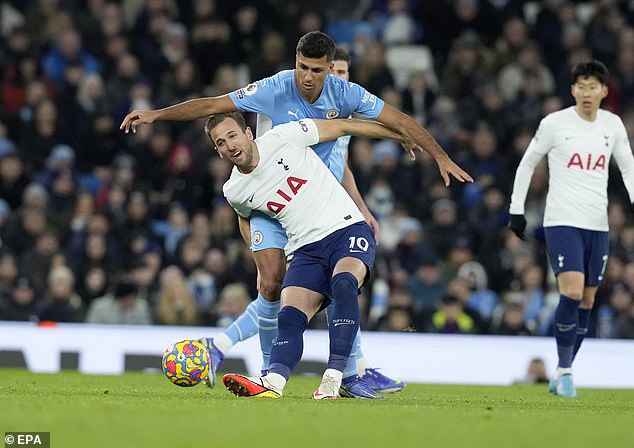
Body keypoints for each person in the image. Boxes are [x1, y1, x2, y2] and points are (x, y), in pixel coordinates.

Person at [121, 31, 472, 396]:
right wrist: (157, 115)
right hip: (266, 197)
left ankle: (348, 372)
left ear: (333, 72)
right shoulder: (275, 94)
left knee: (337, 281)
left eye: (322, 71)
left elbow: (366, 147)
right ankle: (269, 372)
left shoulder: (346, 101)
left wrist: (436, 156)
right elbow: (214, 105)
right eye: (302, 67)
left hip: (318, 208)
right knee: (271, 282)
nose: (309, 77)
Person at [205, 111, 409, 399]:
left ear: (248, 133)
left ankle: (334, 377)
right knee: (289, 316)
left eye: (233, 135)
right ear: (218, 150)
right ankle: (272, 382)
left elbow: (342, 125)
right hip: (306, 249)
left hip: (346, 228)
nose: (230, 144)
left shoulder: (284, 137)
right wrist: (257, 256)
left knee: (343, 283)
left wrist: (399, 132)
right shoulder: (234, 189)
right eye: (221, 142)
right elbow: (244, 218)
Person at [509, 60, 634, 397]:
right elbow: (528, 163)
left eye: (593, 86)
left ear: (604, 91)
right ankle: (564, 371)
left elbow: (628, 168)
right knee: (573, 292)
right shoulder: (554, 123)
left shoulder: (612, 125)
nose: (587, 92)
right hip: (562, 221)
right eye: (581, 86)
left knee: (588, 301)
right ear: (573, 90)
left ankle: (564, 369)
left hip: (598, 224)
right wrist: (516, 210)